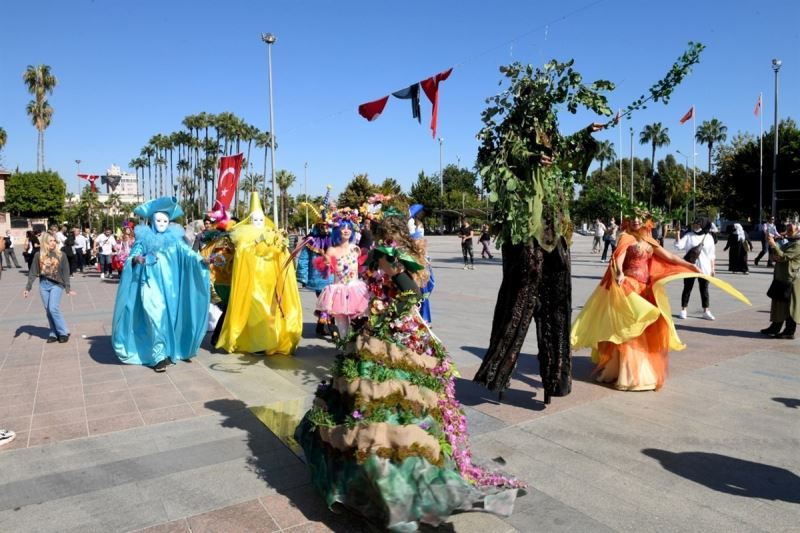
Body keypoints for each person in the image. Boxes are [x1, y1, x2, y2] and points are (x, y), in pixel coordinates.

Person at [295, 232, 521, 530]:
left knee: (395, 400)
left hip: (397, 339)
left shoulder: (397, 261)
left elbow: (411, 295)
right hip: (382, 335)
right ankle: (378, 469)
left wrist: (388, 313)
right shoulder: (387, 259)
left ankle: (395, 473)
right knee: (369, 401)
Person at [571, 215, 749, 391]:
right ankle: (627, 373)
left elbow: (669, 257)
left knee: (644, 330)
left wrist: (689, 266)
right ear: (627, 221)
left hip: (645, 289)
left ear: (646, 221)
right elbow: (618, 258)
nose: (636, 221)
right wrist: (619, 273)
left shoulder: (649, 240)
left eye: (640, 218)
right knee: (631, 330)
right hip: (630, 287)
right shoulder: (625, 237)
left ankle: (639, 371)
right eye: (633, 218)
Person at [112, 196, 211, 372]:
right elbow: (131, 258)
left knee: (168, 318)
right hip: (150, 284)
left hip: (171, 288)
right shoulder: (144, 239)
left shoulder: (175, 240)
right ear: (151, 220)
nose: (162, 223)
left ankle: (167, 351)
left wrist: (202, 261)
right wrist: (137, 259)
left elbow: (189, 255)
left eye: (165, 220)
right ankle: (158, 356)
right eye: (158, 220)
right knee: (156, 316)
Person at [216, 193, 303, 356]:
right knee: (257, 306)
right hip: (253, 280)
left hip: (270, 280)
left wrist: (281, 245)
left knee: (270, 311)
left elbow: (281, 255)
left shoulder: (271, 234)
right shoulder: (243, 237)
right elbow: (241, 254)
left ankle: (269, 341)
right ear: (249, 221)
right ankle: (258, 343)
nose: (258, 223)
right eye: (255, 220)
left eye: (261, 220)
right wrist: (257, 242)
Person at [314, 208, 370, 339]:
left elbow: (361, 269)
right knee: (342, 326)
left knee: (358, 324)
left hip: (356, 290)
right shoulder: (331, 250)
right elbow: (325, 272)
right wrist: (325, 264)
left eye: (349, 228)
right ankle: (345, 350)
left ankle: (356, 349)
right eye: (343, 228)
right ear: (337, 230)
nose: (346, 230)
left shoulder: (356, 249)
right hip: (338, 291)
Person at [23, 232, 76, 343]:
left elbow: (66, 272)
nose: (53, 243)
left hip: (57, 284)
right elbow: (33, 272)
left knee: (53, 308)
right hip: (43, 285)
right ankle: (53, 332)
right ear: (44, 242)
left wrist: (67, 287)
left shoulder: (61, 254)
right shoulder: (39, 255)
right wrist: (27, 288)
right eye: (50, 241)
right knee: (48, 311)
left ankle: (63, 332)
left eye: (54, 241)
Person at [760, 222, 799, 339]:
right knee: (778, 304)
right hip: (781, 277)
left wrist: (773, 244)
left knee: (790, 306)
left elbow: (782, 257)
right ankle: (775, 327)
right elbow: (777, 256)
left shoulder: (797, 245)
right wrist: (774, 248)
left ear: (798, 231)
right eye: (787, 229)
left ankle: (789, 331)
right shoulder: (789, 242)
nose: (788, 232)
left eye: (791, 230)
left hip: (791, 279)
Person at [675, 219, 717, 320]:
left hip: (704, 268)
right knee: (687, 288)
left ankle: (706, 311)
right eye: (694, 224)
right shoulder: (689, 235)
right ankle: (683, 310)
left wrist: (713, 268)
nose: (695, 225)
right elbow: (679, 246)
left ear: (703, 225)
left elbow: (712, 255)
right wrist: (677, 233)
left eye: (697, 224)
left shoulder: (709, 237)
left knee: (704, 290)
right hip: (690, 266)